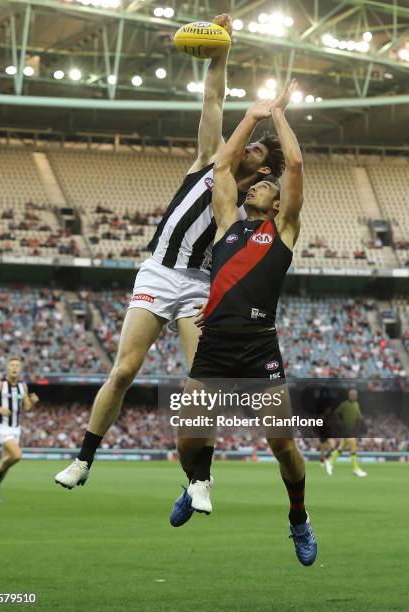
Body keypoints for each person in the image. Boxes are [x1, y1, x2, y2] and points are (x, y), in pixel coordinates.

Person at [55, 13, 286, 489]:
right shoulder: (208, 162)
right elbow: (213, 97)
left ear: (263, 174)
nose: (245, 151)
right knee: (123, 370)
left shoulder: (244, 218)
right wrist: (222, 48)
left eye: (257, 154)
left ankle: (200, 479)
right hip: (158, 272)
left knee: (200, 381)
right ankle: (83, 460)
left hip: (200, 285)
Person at [170, 80, 317, 567]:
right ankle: (197, 482)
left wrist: (278, 113)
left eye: (266, 187)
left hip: (258, 353)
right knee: (187, 441)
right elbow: (219, 165)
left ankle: (298, 518)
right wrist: (251, 116)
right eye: (256, 183)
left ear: (277, 204)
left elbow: (294, 165)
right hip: (214, 348)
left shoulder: (283, 231)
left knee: (283, 448)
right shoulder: (228, 224)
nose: (257, 184)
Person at [0, 356, 39, 503]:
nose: (14, 368)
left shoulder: (22, 386)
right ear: (7, 368)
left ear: (20, 369)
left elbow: (26, 408)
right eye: (12, 365)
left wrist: (33, 402)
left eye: (17, 366)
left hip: (16, 428)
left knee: (7, 462)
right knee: (17, 455)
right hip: (2, 426)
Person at [329, 388, 367, 477]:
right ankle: (356, 469)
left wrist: (360, 418)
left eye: (355, 395)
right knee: (353, 446)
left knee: (341, 448)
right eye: (352, 395)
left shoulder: (357, 404)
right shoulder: (344, 404)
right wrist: (340, 423)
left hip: (352, 428)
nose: (354, 396)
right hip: (346, 428)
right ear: (349, 395)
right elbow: (335, 413)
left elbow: (358, 414)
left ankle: (330, 463)